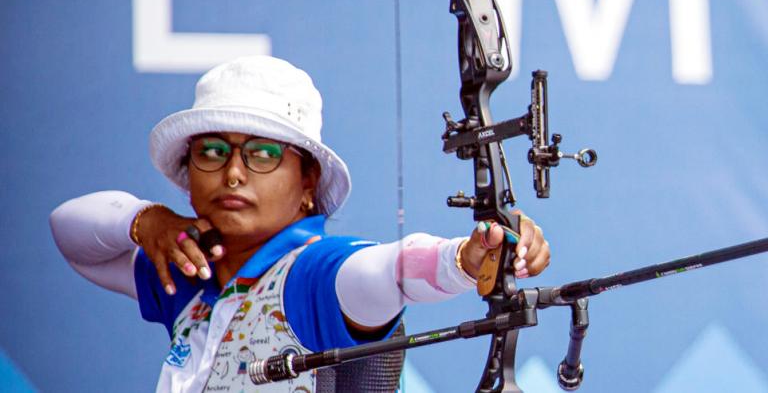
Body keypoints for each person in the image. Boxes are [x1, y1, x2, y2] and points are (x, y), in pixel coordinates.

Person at [50, 55, 549, 392]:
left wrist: (466, 257)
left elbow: (387, 270)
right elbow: (70, 233)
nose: (234, 172)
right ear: (189, 172)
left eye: (263, 153)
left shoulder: (313, 275)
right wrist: (146, 220)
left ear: (308, 180)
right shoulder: (190, 273)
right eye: (213, 151)